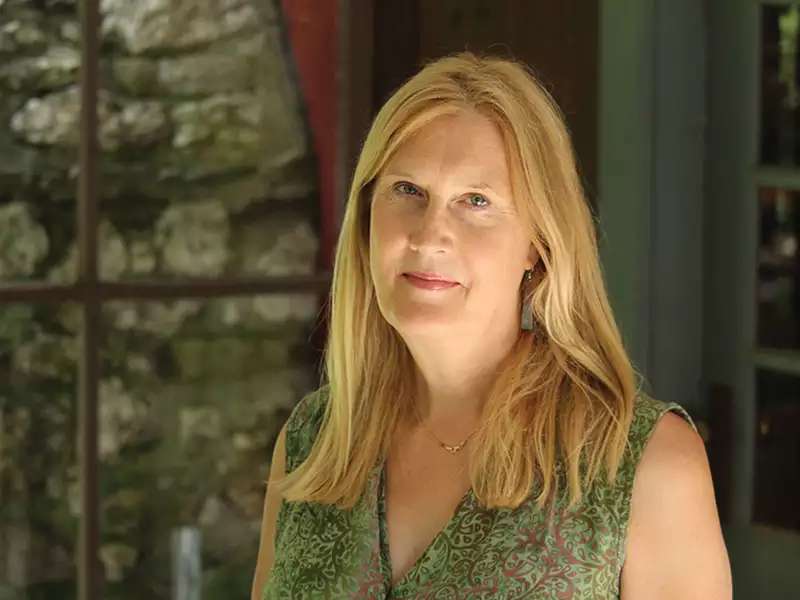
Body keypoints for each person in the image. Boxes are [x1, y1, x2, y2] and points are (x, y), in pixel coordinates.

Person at [251, 50, 732, 599]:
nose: (430, 236)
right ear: (366, 218)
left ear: (538, 243)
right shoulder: (313, 441)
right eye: (408, 191)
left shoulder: (646, 467)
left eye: (475, 201)